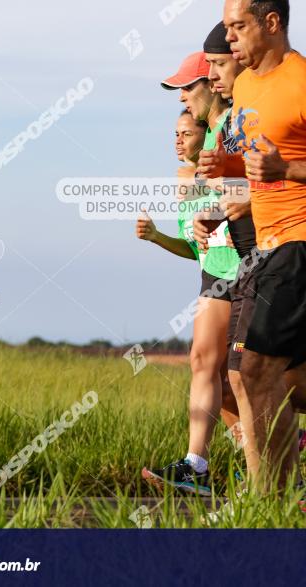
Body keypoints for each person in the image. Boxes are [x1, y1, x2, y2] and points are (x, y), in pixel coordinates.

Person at [198, 0, 306, 492]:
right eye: (227, 28)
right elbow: (254, 162)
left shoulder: (301, 81)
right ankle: (280, 505)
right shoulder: (243, 85)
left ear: (272, 23)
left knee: (249, 372)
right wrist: (226, 170)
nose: (231, 38)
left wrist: (288, 171)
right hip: (263, 250)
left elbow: (282, 165)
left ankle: (265, 505)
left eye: (238, 27)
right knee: (281, 383)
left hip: (298, 243)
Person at [136, 106, 238, 495]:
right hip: (214, 276)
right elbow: (196, 247)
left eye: (186, 133)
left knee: (244, 378)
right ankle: (200, 465)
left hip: (245, 271)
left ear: (206, 136)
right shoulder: (188, 183)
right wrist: (157, 237)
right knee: (208, 368)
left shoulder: (223, 166)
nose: (177, 141)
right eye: (175, 134)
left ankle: (277, 456)